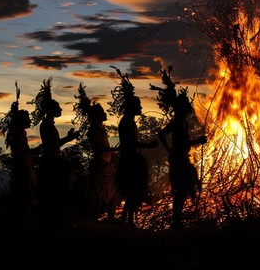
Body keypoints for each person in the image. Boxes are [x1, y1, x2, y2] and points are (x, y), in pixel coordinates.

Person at [156, 69, 207, 229]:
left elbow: (180, 140)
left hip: (181, 157)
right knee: (181, 189)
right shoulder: (178, 121)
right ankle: (176, 221)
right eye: (186, 105)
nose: (189, 107)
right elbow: (165, 135)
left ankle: (177, 220)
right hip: (178, 159)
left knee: (184, 189)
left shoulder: (182, 121)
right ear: (181, 107)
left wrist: (194, 141)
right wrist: (170, 149)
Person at [32, 77, 79, 227]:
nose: (60, 110)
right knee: (55, 195)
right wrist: (69, 137)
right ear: (51, 110)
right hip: (52, 163)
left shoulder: (48, 124)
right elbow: (53, 145)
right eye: (58, 108)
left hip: (54, 162)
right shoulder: (46, 125)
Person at [116, 91, 158, 227]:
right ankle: (127, 220)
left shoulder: (130, 122)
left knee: (134, 192)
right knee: (132, 190)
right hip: (129, 161)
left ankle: (128, 219)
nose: (140, 108)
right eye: (138, 106)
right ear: (131, 107)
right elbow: (129, 143)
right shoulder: (125, 123)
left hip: (132, 159)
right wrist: (148, 145)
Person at [1, 90, 38, 228]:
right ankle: (20, 226)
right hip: (22, 172)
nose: (30, 120)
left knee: (26, 200)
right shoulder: (17, 136)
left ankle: (21, 225)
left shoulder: (20, 135)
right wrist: (36, 150)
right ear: (20, 121)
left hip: (25, 171)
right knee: (25, 201)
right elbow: (21, 153)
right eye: (27, 118)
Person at [85, 101, 120, 222]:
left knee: (112, 192)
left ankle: (111, 218)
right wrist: (114, 149)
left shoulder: (101, 130)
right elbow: (98, 148)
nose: (104, 114)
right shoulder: (93, 132)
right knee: (100, 193)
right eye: (101, 113)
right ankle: (94, 218)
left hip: (109, 165)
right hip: (101, 165)